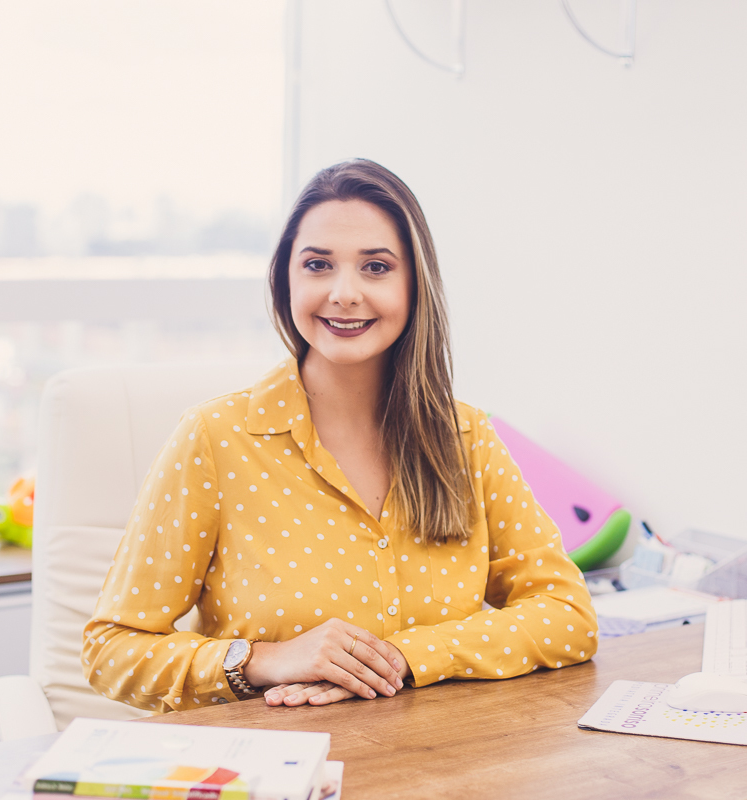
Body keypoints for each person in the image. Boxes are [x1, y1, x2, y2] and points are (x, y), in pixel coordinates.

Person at [82, 159, 598, 711]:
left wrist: (406, 657)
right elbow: (112, 652)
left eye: (376, 267)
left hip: (440, 768)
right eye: (318, 265)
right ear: (287, 279)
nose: (345, 292)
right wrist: (264, 659)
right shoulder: (214, 440)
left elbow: (567, 616)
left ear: (414, 285)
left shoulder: (466, 437)